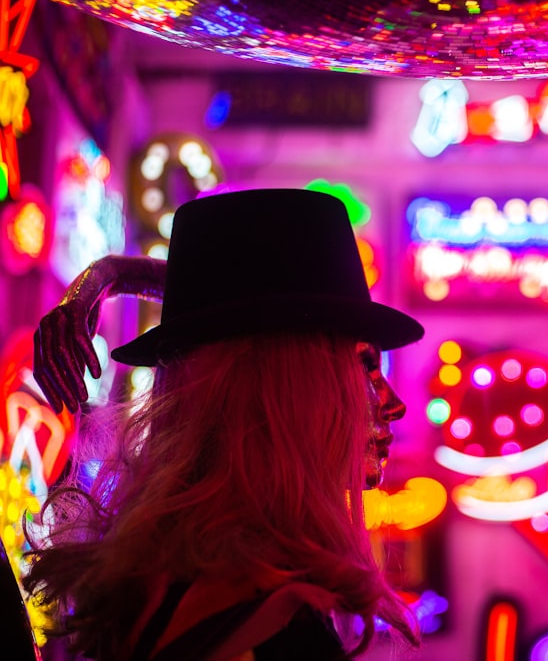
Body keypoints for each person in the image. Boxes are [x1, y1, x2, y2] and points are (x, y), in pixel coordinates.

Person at [25, 189, 425, 660]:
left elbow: (221, 316)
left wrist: (105, 277)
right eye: (365, 364)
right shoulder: (272, 621)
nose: (394, 404)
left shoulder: (163, 585)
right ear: (285, 388)